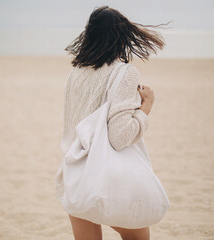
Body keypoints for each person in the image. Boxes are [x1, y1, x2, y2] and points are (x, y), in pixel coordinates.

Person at [55, 5, 169, 240]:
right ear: (121, 36)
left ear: (89, 34)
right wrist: (146, 106)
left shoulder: (75, 72)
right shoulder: (124, 72)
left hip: (74, 173)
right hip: (105, 176)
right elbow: (119, 137)